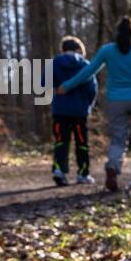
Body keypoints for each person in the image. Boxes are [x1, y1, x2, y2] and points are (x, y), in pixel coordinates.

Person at [55, 16, 131, 193]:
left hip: (116, 101)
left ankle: (113, 166)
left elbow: (87, 72)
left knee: (118, 139)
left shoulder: (107, 51)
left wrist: (66, 86)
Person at [48, 36, 97, 185]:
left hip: (60, 110)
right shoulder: (85, 64)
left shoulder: (55, 63)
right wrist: (88, 106)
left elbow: (43, 82)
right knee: (82, 142)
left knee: (61, 141)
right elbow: (92, 89)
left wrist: (56, 89)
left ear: (63, 49)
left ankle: (59, 170)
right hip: (79, 111)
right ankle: (83, 174)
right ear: (78, 49)